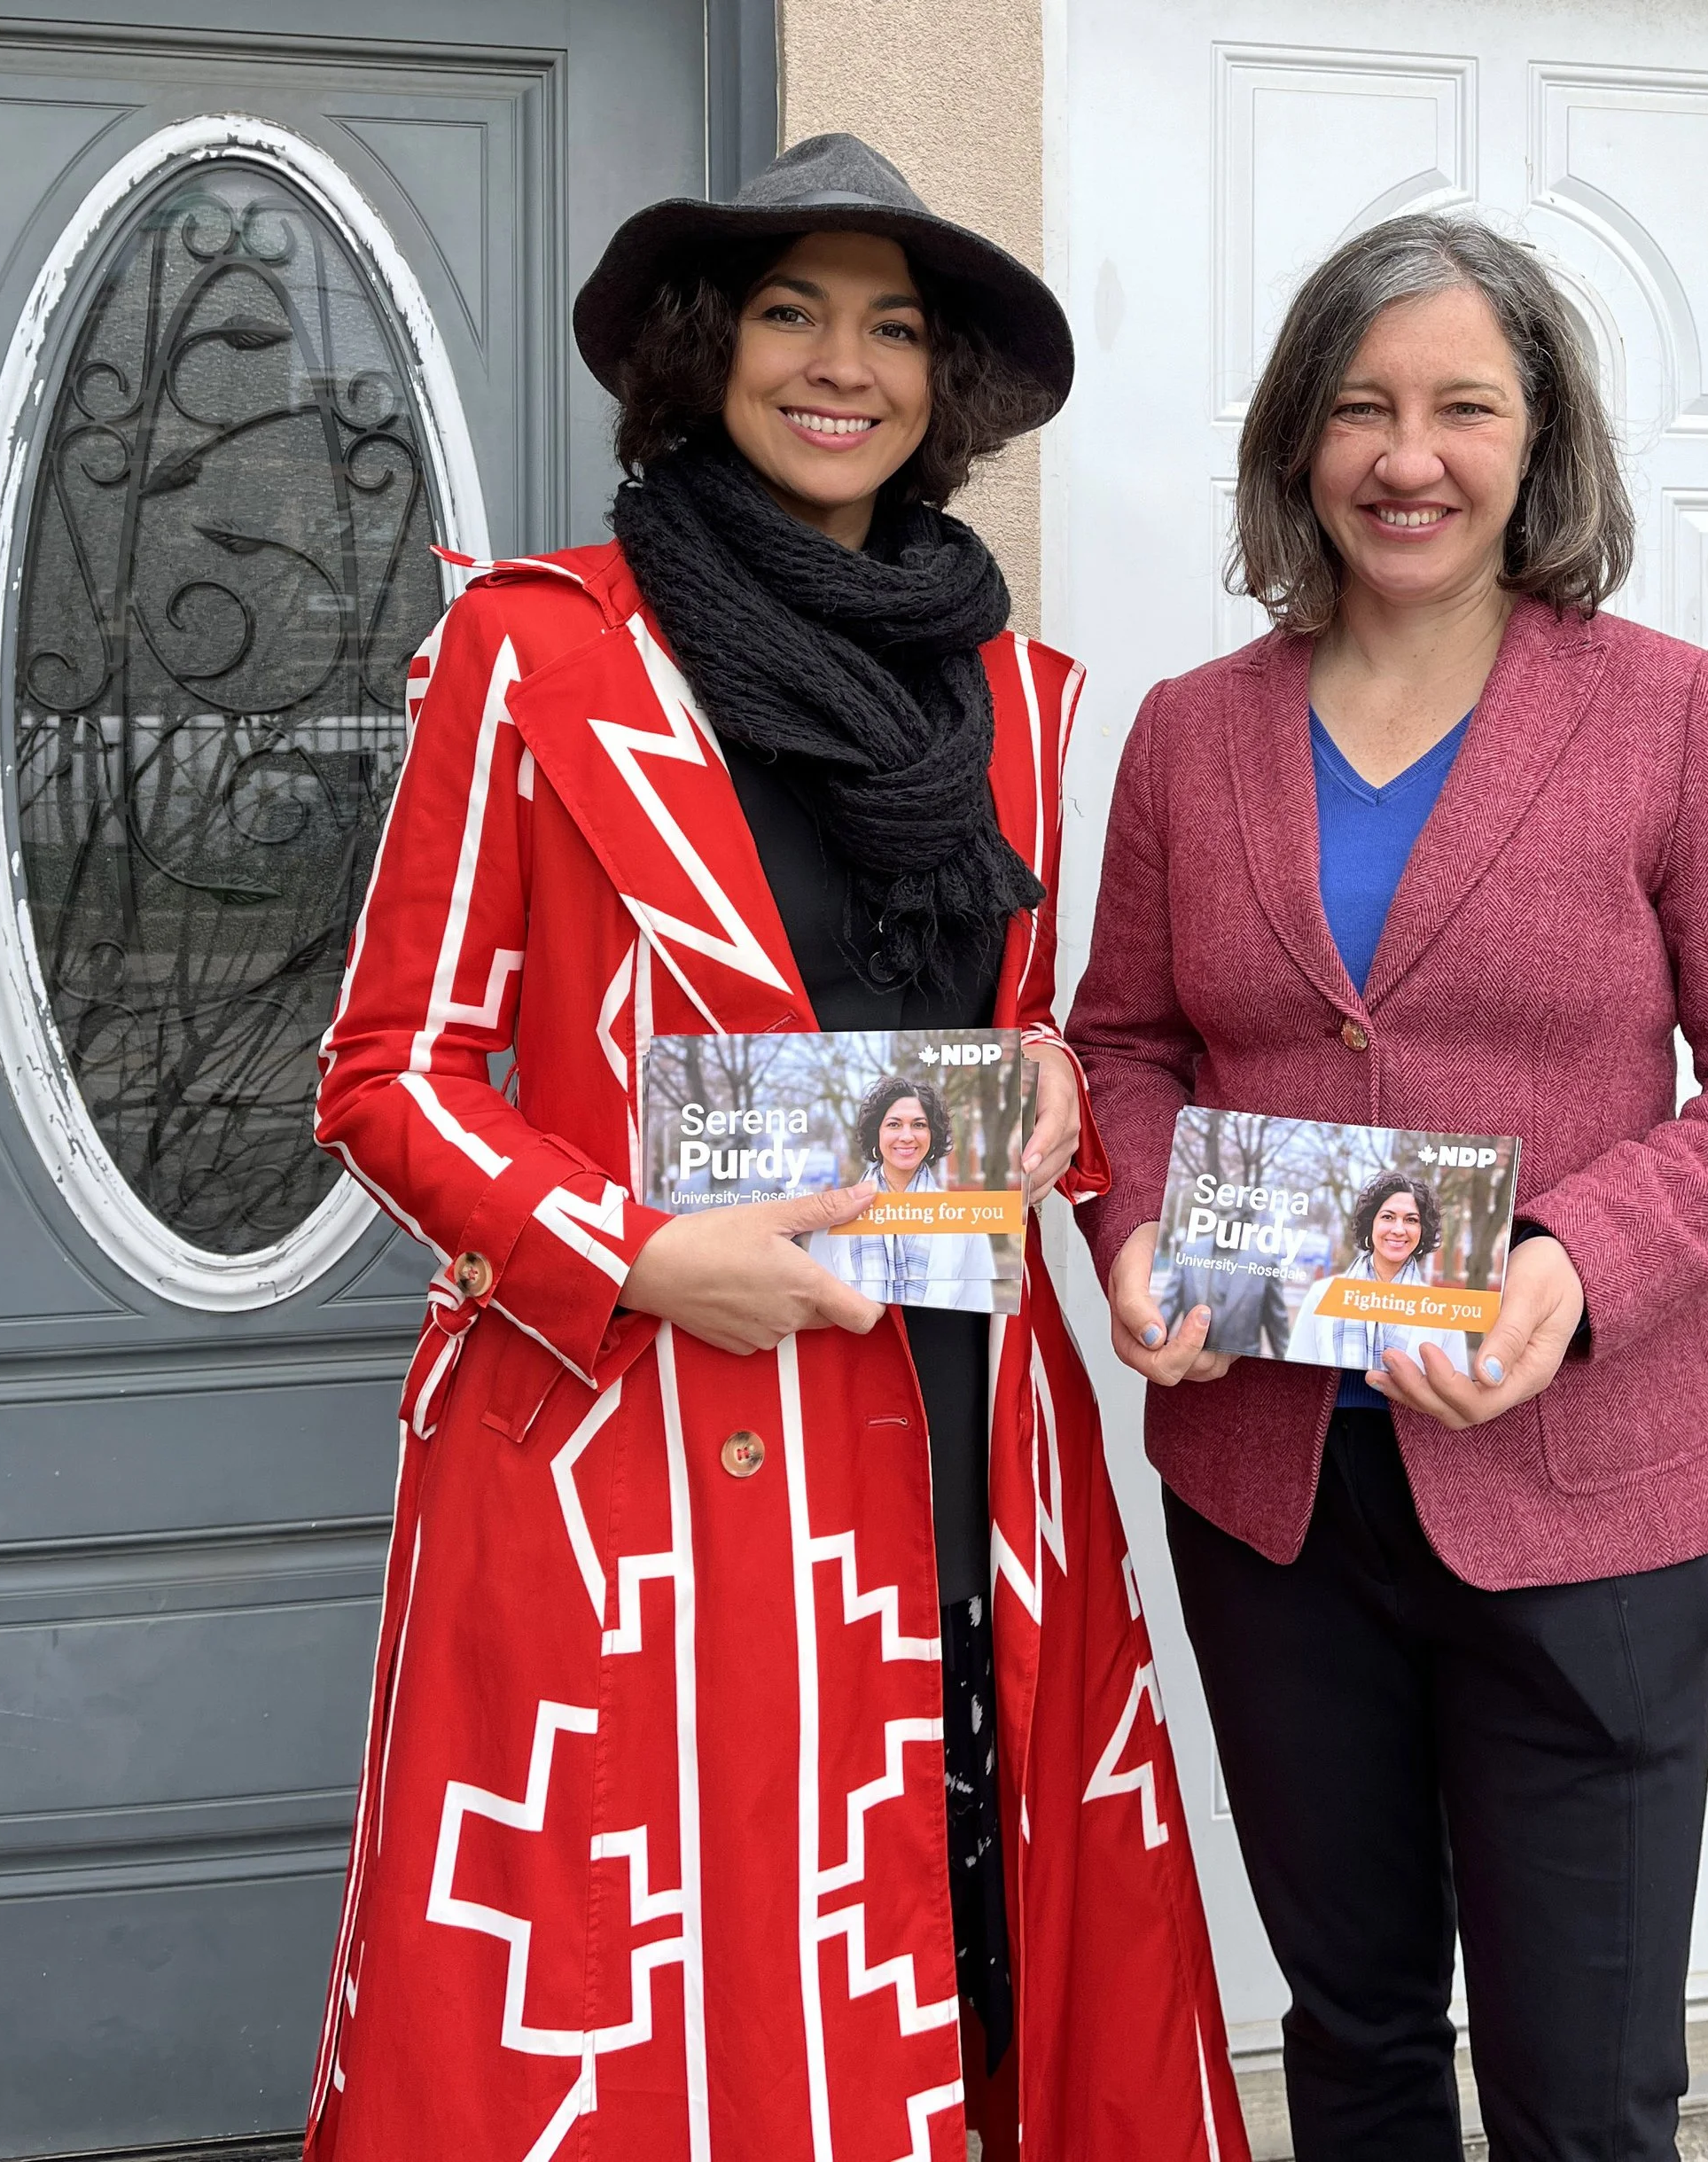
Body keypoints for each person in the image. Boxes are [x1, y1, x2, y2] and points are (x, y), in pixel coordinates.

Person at [307, 134, 1244, 2162]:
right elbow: (387, 1069)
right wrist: (637, 1253)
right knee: (657, 2007)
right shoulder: (539, 653)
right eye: (793, 311)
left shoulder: (1012, 691)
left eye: (894, 326)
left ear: (947, 386)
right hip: (640, 1458)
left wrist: (1104, 1168)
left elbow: (1020, 1063)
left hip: (964, 1440)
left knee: (968, 1949)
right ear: (703, 350)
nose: (845, 365)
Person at [1068, 212, 1708, 2162]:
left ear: (1538, 443)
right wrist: (1133, 1228)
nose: (1402, 455)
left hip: (1587, 1502)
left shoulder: (1672, 710)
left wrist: (1572, 1262)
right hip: (1277, 1497)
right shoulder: (1192, 732)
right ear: (1294, 440)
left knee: (1581, 2092)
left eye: (1458, 406)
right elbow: (1122, 1046)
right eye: (1355, 405)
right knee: (1348, 2044)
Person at [811, 1071, 997, 1308]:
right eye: (894, 1124)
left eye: (919, 1125)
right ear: (876, 1133)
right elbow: (821, 1307)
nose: (907, 1136)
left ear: (932, 1135)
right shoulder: (835, 1218)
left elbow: (979, 1308)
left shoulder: (966, 1221)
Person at [1284, 1170, 1469, 1377]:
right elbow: (1296, 1374)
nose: (1399, 1229)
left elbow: (1455, 1386)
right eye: (1388, 1217)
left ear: (1422, 1230)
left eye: (1411, 1220)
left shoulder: (1443, 1311)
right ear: (1371, 1222)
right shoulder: (1323, 1294)